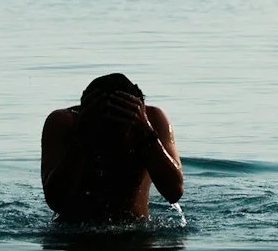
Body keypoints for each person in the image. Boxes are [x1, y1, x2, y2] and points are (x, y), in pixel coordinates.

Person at [40, 73, 183, 223]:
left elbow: (174, 192)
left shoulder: (151, 121)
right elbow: (55, 201)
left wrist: (147, 133)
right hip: (75, 236)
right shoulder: (65, 124)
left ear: (137, 117)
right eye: (105, 130)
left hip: (137, 231)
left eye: (120, 128)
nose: (112, 141)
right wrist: (81, 139)